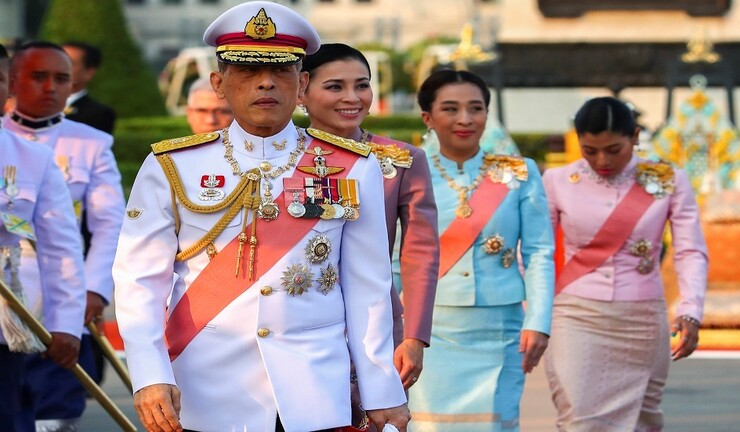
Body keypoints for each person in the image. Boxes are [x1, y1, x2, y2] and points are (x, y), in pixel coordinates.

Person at [112, 2, 409, 431]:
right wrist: (149, 373)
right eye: (248, 70)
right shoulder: (172, 166)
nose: (266, 82)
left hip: (312, 392)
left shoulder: (353, 166)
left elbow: (369, 289)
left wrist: (382, 391)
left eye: (281, 71)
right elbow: (139, 280)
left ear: (302, 84)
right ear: (219, 83)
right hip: (204, 389)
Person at [542, 96, 708, 431]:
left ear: (634, 136)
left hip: (642, 315)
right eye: (590, 151)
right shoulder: (557, 181)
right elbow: (536, 252)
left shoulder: (668, 179)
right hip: (575, 314)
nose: (602, 160)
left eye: (613, 150)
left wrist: (691, 309)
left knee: (641, 420)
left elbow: (690, 251)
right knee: (578, 416)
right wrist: (530, 313)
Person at [402, 69, 554, 432]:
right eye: (451, 109)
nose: (465, 119)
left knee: (495, 423)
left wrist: (539, 320)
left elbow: (539, 253)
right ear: (428, 117)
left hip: (499, 326)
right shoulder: (407, 172)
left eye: (476, 108)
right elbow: (395, 257)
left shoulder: (520, 172)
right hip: (427, 327)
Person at [3, 40, 125, 431]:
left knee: (50, 415)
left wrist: (93, 289)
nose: (51, 88)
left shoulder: (91, 143)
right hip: (8, 298)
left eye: (61, 79)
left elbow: (108, 223)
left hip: (55, 298)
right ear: (13, 81)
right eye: (38, 77)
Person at [301, 43, 439, 384]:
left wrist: (415, 337)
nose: (352, 98)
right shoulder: (278, 159)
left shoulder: (401, 160)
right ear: (302, 90)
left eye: (362, 85)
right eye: (335, 87)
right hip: (296, 323)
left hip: (375, 326)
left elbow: (420, 253)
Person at [0, 42, 86, 432]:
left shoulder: (32, 158)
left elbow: (60, 247)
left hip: (5, 327)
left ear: (9, 86)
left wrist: (66, 323)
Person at [61, 41, 116, 134]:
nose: (60, 67)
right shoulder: (36, 106)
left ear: (89, 72)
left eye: (69, 63)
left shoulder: (98, 114)